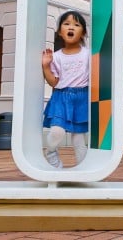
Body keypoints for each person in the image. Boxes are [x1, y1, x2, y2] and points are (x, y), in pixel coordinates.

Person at [41, 10, 90, 169]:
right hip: (61, 97)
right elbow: (53, 82)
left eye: (76, 25)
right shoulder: (56, 56)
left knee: (79, 138)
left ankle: (83, 169)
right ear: (60, 32)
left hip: (82, 97)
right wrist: (46, 66)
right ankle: (51, 153)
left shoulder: (88, 55)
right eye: (67, 24)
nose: (71, 27)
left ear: (83, 33)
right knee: (57, 131)